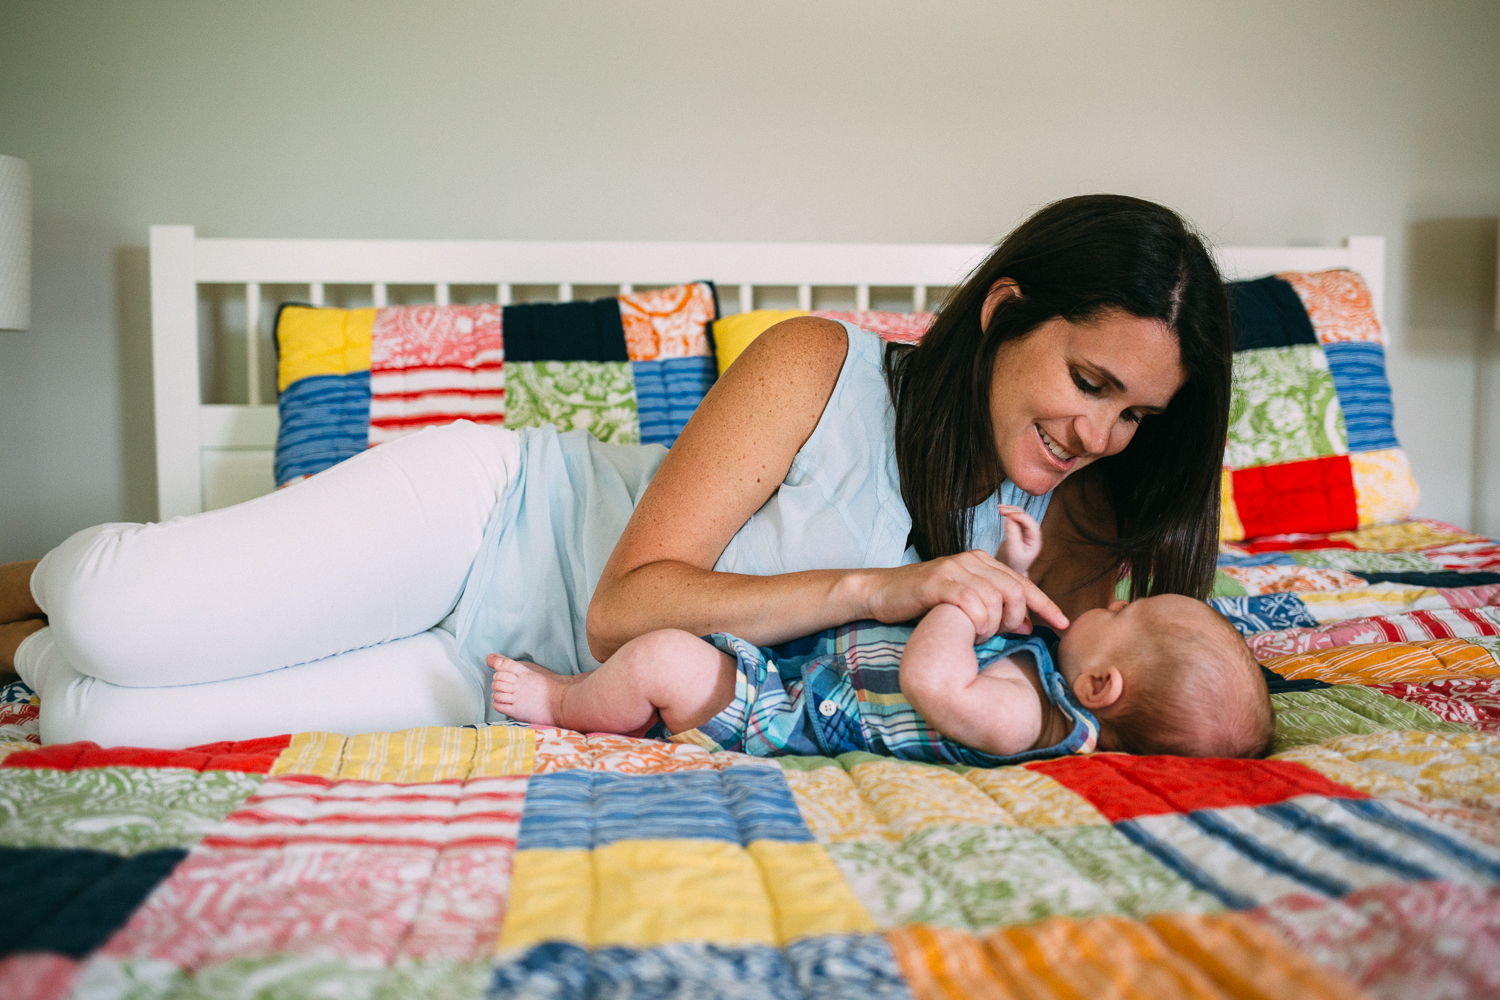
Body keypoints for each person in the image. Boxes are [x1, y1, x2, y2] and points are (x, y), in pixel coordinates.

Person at [0, 194, 1234, 748]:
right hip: (488, 528)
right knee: (119, 614)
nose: (1097, 437)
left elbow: (1129, 693)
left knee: (92, 711)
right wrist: (882, 587)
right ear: (1009, 312)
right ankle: (28, 581)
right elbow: (627, 605)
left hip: (510, 676)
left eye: (1138, 415)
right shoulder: (824, 363)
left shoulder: (1078, 541)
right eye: (1087, 382)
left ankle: (27, 639)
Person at [489, 506, 1275, 762]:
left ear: (1105, 686)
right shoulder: (1039, 675)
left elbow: (937, 682)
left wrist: (961, 604)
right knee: (668, 650)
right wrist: (1006, 566)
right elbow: (980, 643)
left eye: (1123, 616)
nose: (1108, 604)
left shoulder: (1029, 718)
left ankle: (563, 699)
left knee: (661, 656)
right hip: (802, 670)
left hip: (787, 715)